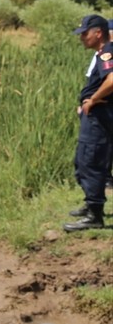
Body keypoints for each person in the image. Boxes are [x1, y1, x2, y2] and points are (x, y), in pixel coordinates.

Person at [63, 14, 113, 232]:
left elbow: (112, 79)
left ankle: (95, 215)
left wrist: (92, 99)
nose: (82, 38)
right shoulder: (102, 52)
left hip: (99, 117)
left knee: (90, 161)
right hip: (95, 116)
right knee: (83, 161)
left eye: (85, 33)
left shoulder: (107, 53)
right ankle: (91, 204)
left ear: (97, 33)